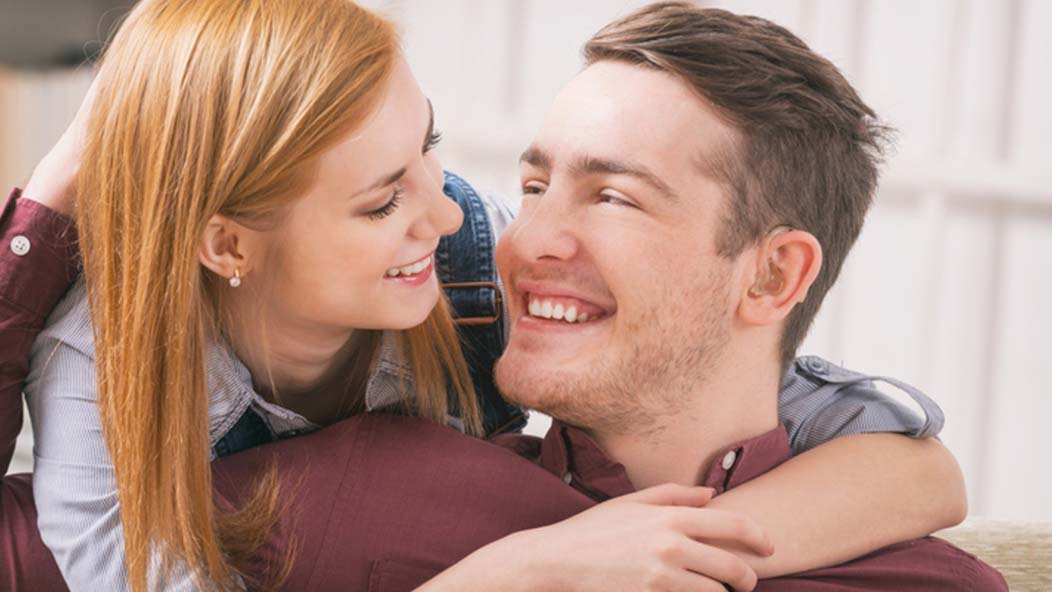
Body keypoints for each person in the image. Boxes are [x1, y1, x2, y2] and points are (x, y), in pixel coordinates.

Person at [0, 0, 979, 590]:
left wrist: (688, 552)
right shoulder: (121, 374)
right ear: (227, 244)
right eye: (537, 183)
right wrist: (518, 573)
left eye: (611, 196)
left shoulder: (463, 261)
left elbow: (910, 460)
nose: (519, 237)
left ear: (773, 275)